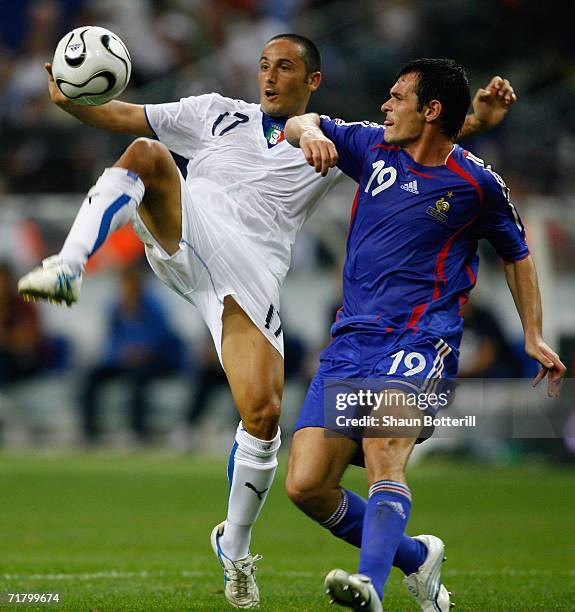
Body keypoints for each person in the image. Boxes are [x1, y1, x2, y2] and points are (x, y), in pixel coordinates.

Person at [17, 32, 517, 608]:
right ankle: (69, 263)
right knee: (148, 155)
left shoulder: (326, 139)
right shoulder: (213, 113)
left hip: (250, 277)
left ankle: (236, 546)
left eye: (284, 67)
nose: (270, 76)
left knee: (264, 415)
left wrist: (476, 121)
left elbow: (416, 140)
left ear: (313, 81)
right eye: (263, 66)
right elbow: (124, 114)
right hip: (194, 226)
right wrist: (69, 100)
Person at [284, 58, 566, 611]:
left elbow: (518, 254)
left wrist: (533, 334)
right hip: (351, 343)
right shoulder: (371, 149)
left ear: (430, 110)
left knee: (385, 448)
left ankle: (371, 586)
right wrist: (311, 132)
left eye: (397, 97)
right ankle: (416, 558)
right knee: (307, 486)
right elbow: (298, 122)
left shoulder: (477, 184)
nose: (384, 105)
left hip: (420, 341)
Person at [80, 264, 183, 445]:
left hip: (153, 361)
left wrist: (142, 351)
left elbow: (162, 338)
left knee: (137, 381)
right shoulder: (116, 309)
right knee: (91, 377)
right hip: (124, 361)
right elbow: (112, 340)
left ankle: (137, 432)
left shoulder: (154, 307)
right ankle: (89, 432)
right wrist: (121, 353)